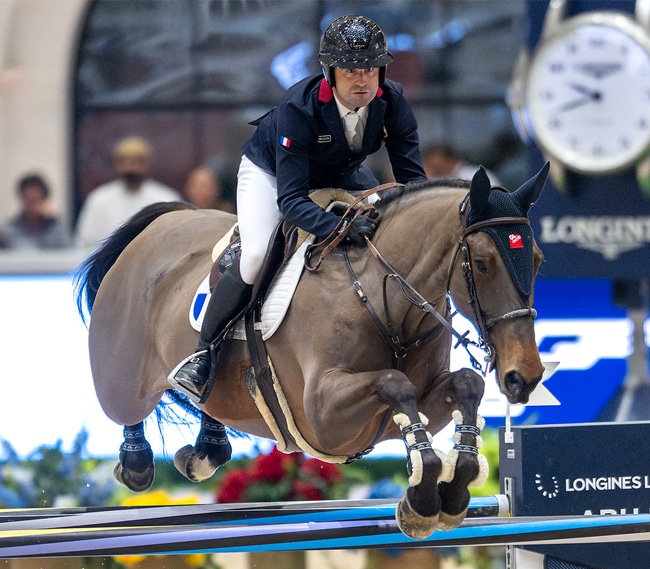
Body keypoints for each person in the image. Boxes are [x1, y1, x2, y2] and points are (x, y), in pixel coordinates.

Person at [169, 14, 427, 400]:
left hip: (341, 173)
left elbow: (413, 183)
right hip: (272, 174)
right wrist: (338, 228)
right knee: (256, 255)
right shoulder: (300, 108)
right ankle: (204, 354)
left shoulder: (393, 102)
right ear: (330, 72)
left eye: (372, 69)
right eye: (351, 70)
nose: (363, 80)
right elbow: (291, 201)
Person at [74, 136, 182, 249]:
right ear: (117, 164)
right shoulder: (99, 199)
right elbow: (86, 242)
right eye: (124, 162)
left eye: (137, 162)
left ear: (146, 164)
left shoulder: (165, 198)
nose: (130, 168)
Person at [0, 173, 72, 250]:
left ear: (44, 199)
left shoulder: (56, 227)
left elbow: (68, 254)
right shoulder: (5, 231)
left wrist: (54, 219)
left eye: (36, 200)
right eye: (28, 199)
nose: (32, 206)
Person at [422, 143, 502, 186]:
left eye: (435, 167)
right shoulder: (439, 180)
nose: (430, 169)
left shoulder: (476, 176)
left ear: (449, 159)